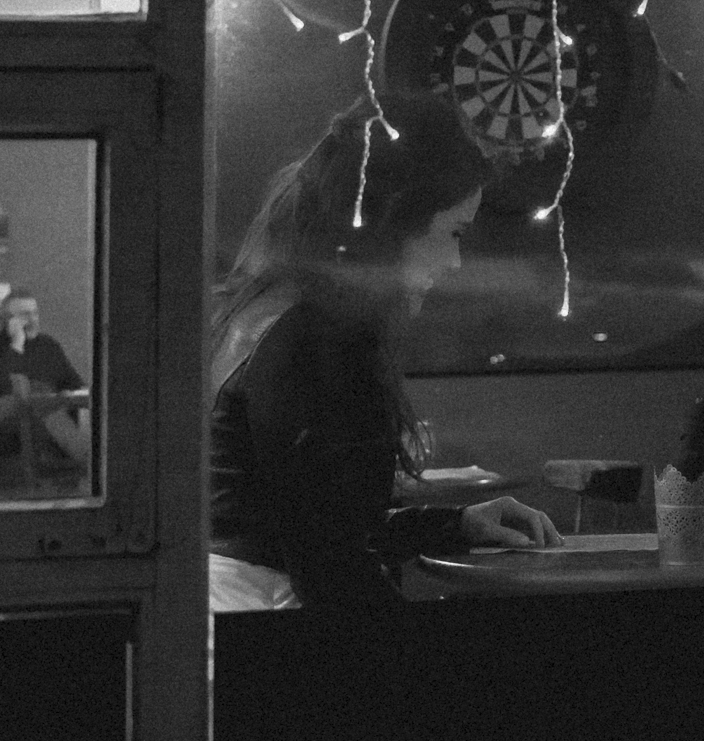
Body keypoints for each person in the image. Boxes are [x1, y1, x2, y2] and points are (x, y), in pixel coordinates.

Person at [209, 91, 560, 616]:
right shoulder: (315, 339)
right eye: (452, 233)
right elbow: (330, 566)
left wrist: (456, 523)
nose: (455, 262)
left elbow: (308, 524)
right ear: (393, 222)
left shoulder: (272, 306)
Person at [0, 286, 90, 479]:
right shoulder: (3, 348)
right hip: (8, 425)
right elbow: (6, 386)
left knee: (47, 397)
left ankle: (86, 458)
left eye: (35, 313)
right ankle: (88, 459)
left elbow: (76, 385)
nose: (33, 319)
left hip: (48, 423)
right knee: (31, 390)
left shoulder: (48, 346)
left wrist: (66, 397)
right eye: (25, 315)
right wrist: (17, 344)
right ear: (8, 320)